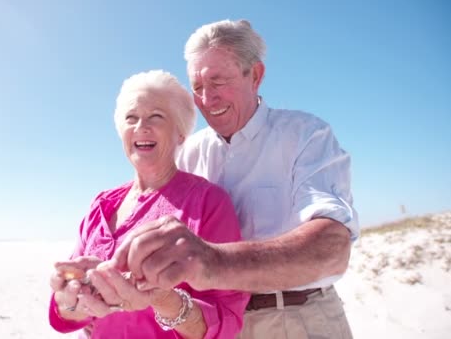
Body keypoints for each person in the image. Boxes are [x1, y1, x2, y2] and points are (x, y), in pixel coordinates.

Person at [111, 20, 360, 338]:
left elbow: (332, 248)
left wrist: (213, 262)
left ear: (255, 75)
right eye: (197, 87)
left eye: (218, 82)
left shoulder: (305, 135)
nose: (206, 98)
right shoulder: (188, 152)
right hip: (215, 326)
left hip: (296, 319)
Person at [48, 69, 249, 339]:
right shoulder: (101, 205)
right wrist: (70, 298)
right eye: (131, 118)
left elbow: (227, 322)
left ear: (180, 133)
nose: (141, 126)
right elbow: (66, 316)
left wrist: (163, 299)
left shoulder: (207, 202)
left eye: (156, 116)